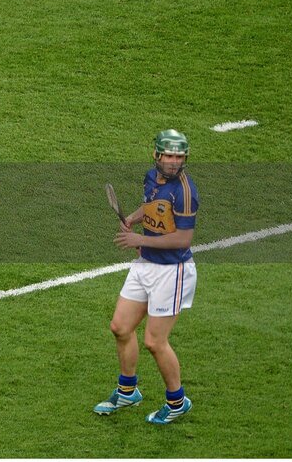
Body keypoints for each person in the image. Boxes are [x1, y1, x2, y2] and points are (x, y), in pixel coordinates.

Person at [94, 130, 199, 425]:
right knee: (120, 326)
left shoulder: (185, 192)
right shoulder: (151, 178)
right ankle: (128, 391)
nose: (173, 161)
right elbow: (151, 206)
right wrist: (134, 219)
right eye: (169, 155)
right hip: (146, 265)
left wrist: (140, 240)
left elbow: (182, 240)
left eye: (179, 156)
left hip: (172, 272)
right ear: (156, 155)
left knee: (155, 341)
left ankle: (177, 401)